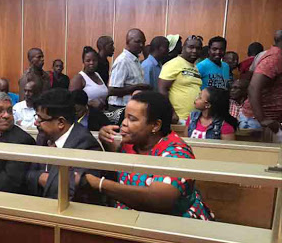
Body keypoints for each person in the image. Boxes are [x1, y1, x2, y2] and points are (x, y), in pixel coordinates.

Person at [85, 92, 214, 220]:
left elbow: (159, 201)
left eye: (132, 119)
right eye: (124, 117)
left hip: (172, 225)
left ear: (155, 125)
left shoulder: (177, 153)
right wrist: (106, 141)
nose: (123, 123)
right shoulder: (131, 143)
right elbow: (120, 164)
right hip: (131, 219)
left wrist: (101, 184)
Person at [27, 88, 102, 200]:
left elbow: (74, 188)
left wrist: (46, 179)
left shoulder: (87, 145)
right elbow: (26, 174)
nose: (36, 123)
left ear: (61, 123)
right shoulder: (44, 137)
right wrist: (41, 177)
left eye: (40, 118)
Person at [159, 35, 203, 123]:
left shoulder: (195, 68)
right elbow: (162, 90)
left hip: (193, 119)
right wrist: (171, 113)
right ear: (183, 48)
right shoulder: (173, 64)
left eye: (198, 48)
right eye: (191, 47)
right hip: (179, 118)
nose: (194, 51)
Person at [248, 30, 282, 139]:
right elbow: (253, 88)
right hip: (258, 122)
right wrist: (262, 119)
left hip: (272, 121)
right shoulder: (274, 59)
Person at [108, 29, 150, 109]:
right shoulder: (123, 61)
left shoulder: (135, 60)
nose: (141, 45)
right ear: (128, 42)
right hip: (119, 107)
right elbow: (112, 90)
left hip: (132, 106)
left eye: (143, 42)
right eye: (137, 42)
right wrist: (137, 87)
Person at [69, 46, 109, 110]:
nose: (92, 63)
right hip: (87, 116)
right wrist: (89, 104)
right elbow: (71, 101)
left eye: (94, 60)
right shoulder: (79, 78)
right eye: (88, 61)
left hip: (101, 114)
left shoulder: (97, 74)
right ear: (83, 62)